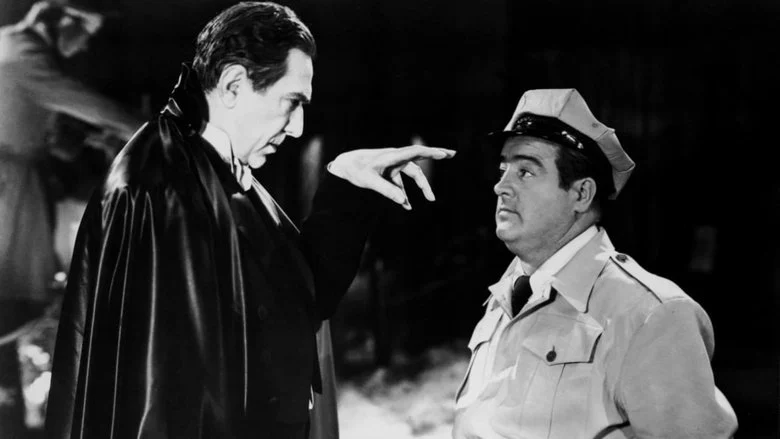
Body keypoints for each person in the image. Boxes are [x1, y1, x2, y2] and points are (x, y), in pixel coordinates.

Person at [44, 2, 455, 439]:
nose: (297, 128)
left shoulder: (212, 167)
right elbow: (157, 407)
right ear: (233, 85)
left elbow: (298, 303)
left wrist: (344, 186)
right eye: (291, 103)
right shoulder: (161, 191)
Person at [453, 88, 737, 438]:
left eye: (525, 172)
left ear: (581, 194)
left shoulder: (649, 314)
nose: (501, 187)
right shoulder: (508, 295)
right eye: (503, 169)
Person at [0, 2, 141, 437]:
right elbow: (93, 106)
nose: (84, 45)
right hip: (8, 191)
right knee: (13, 294)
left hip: (18, 182)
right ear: (60, 20)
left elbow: (34, 125)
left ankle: (14, 410)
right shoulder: (21, 56)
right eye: (85, 31)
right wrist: (152, 132)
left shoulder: (12, 48)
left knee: (17, 299)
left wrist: (80, 141)